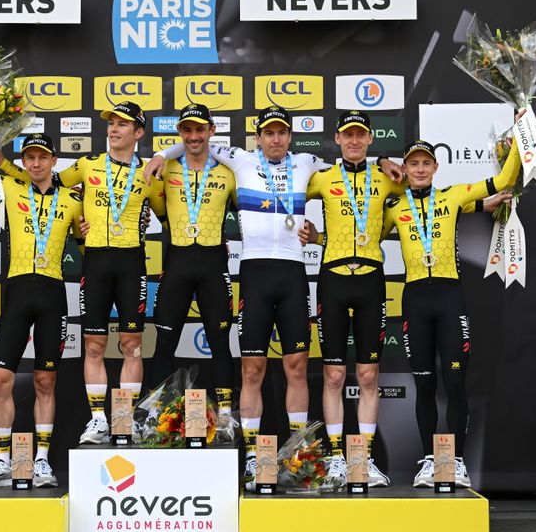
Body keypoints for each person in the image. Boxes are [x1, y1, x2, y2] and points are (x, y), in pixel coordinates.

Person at [146, 106, 400, 490]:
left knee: (297, 366)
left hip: (294, 272)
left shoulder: (307, 164)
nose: (276, 139)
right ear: (258, 137)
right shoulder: (239, 159)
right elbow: (192, 143)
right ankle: (253, 456)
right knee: (252, 369)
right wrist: (161, 155)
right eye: (269, 133)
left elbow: (351, 164)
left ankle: (299, 451)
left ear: (290, 137)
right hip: (255, 271)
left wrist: (383, 159)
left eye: (282, 132)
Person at [381, 130, 521, 488]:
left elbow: (504, 180)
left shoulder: (454, 196)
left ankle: (455, 461)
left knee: (456, 381)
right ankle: (430, 460)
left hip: (449, 297)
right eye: (414, 163)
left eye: (427, 163)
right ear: (406, 168)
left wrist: (521, 140)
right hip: (414, 299)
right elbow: (359, 233)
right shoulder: (394, 205)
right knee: (424, 384)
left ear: (436, 166)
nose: (421, 169)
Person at [295, 111, 407, 487]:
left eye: (361, 135)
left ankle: (364, 459)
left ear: (370, 139)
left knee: (370, 374)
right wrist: (317, 239)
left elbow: (422, 189)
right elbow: (283, 190)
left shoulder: (386, 177)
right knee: (333, 375)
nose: (355, 141)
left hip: (372, 280)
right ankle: (338, 458)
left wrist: (388, 161)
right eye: (348, 135)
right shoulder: (323, 178)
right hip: (333, 281)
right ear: (337, 139)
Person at [0, 135, 83, 488]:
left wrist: (84, 233)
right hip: (17, 292)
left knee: (45, 381)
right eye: (29, 158)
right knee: (0, 378)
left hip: (52, 294)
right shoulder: (10, 189)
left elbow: (85, 237)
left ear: (54, 161)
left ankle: (42, 462)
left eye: (42, 158)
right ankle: (2, 459)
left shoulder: (72, 200)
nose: (35, 164)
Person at [53, 101, 161, 444]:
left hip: (132, 263)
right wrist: (74, 223)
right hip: (96, 261)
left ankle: (124, 419)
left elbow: (170, 214)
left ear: (138, 133)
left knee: (131, 345)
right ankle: (99, 419)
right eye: (111, 123)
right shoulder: (87, 165)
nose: (114, 129)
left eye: (123, 124)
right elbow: (46, 186)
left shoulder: (150, 174)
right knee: (94, 344)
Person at [147, 103, 237, 423]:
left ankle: (225, 415)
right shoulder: (165, 169)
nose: (194, 136)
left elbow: (248, 213)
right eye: (188, 130)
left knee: (220, 342)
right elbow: (155, 208)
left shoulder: (229, 172)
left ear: (212, 131)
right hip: (177, 262)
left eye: (201, 129)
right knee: (164, 341)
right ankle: (157, 414)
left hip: (213, 264)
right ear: (180, 133)